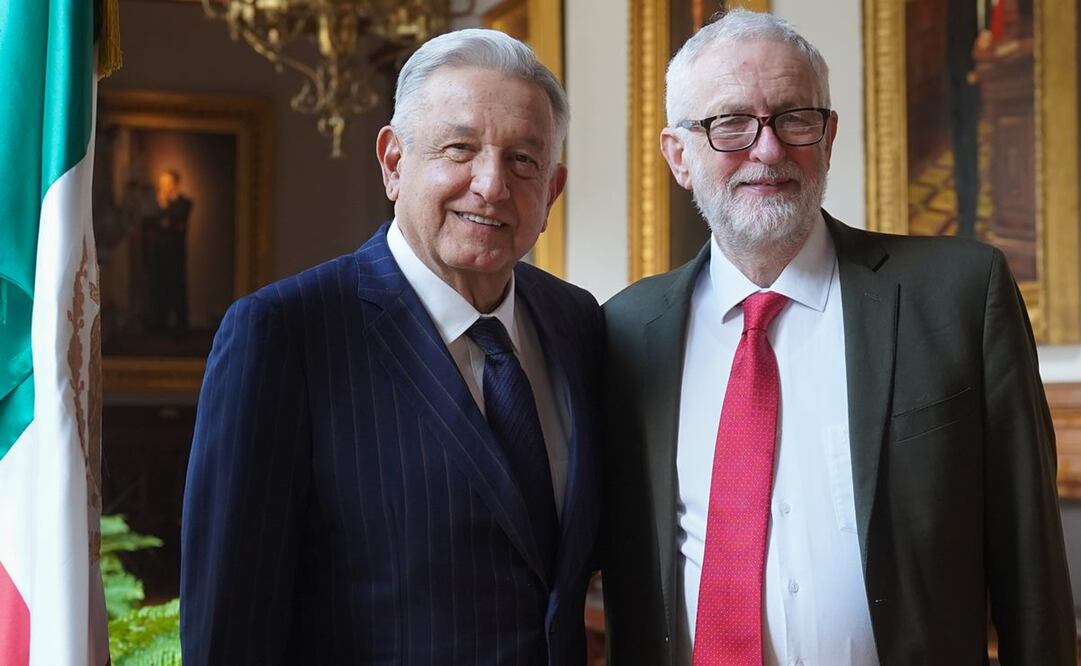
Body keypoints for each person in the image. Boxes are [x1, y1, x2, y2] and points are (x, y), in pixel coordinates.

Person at [601, 9, 1074, 666]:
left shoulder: (960, 295)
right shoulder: (625, 331)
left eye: (794, 118)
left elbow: (1030, 562)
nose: (767, 150)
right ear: (679, 155)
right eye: (729, 123)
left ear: (827, 137)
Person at [181, 29, 603, 665]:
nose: (491, 184)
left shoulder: (577, 323)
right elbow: (230, 630)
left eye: (523, 159)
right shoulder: (285, 335)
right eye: (459, 149)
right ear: (393, 163)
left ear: (553, 191)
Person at [144, 169, 192, 333]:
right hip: (156, 254)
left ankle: (181, 327)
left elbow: (173, 221)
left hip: (175, 255)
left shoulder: (184, 203)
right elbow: (154, 222)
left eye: (167, 183)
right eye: (162, 183)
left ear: (175, 184)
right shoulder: (154, 203)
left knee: (176, 288)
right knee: (157, 288)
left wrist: (166, 220)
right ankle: (158, 324)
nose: (164, 187)